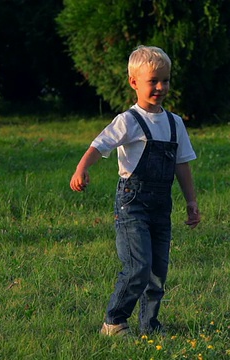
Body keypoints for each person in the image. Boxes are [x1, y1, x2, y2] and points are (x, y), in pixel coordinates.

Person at [70, 45, 201, 337]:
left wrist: (191, 201)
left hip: (161, 205)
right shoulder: (128, 121)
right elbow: (98, 145)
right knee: (138, 266)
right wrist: (82, 169)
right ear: (134, 82)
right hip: (132, 203)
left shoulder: (174, 123)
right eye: (152, 81)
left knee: (157, 272)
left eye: (164, 80)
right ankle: (114, 321)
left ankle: (149, 325)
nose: (159, 87)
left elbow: (182, 164)